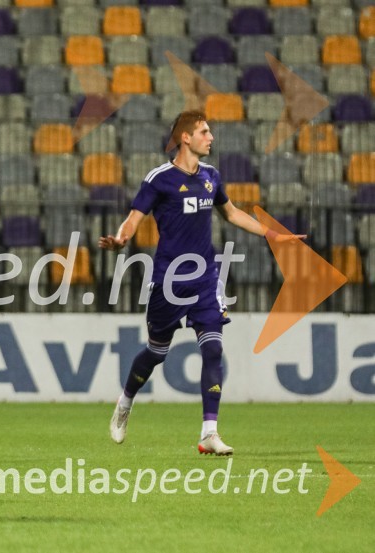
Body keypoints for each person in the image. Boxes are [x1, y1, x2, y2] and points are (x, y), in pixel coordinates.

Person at [99, 110, 304, 456]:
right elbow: (134, 218)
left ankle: (210, 431)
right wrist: (121, 239)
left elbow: (233, 213)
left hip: (206, 279)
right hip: (169, 281)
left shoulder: (211, 176)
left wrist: (272, 234)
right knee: (155, 353)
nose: (210, 137)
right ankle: (125, 402)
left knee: (212, 348)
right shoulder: (160, 178)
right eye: (204, 132)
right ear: (186, 138)